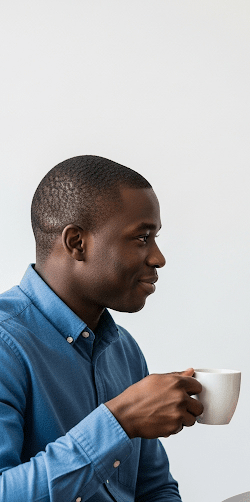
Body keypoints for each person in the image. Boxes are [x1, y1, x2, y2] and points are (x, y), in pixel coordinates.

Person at [0, 156, 203, 501]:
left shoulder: (125, 351)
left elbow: (155, 488)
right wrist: (119, 421)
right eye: (142, 238)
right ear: (77, 242)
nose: (158, 258)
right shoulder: (6, 344)